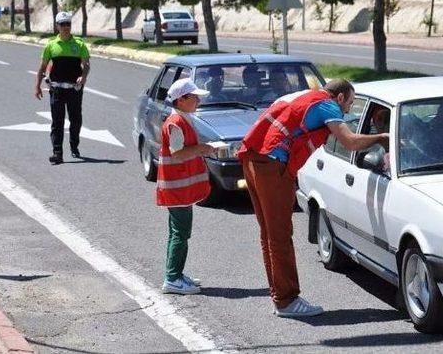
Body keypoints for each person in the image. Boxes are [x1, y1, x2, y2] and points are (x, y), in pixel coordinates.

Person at [237, 79, 388, 318]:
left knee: (269, 235)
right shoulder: (327, 105)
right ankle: (287, 301)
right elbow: (349, 141)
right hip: (273, 166)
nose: (347, 109)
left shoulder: (305, 95)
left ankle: (280, 295)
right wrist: (380, 138)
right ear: (339, 97)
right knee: (279, 236)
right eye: (348, 103)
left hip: (253, 159)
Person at [156, 78, 216, 295]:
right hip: (176, 188)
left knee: (179, 232)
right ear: (181, 100)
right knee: (180, 233)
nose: (198, 100)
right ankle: (172, 278)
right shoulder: (175, 123)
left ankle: (176, 274)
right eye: (194, 97)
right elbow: (178, 153)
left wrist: (203, 149)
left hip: (180, 188)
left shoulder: (183, 118)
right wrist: (203, 149)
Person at [35, 11, 90, 164]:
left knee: (75, 120)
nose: (66, 27)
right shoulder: (51, 45)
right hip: (57, 89)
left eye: (68, 24)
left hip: (74, 89)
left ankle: (74, 145)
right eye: (63, 24)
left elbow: (86, 64)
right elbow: (42, 68)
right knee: (57, 121)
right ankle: (57, 152)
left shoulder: (79, 44)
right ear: (57, 26)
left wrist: (83, 76)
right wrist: (37, 86)